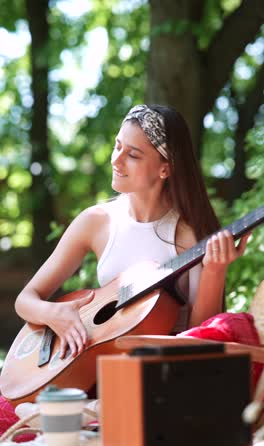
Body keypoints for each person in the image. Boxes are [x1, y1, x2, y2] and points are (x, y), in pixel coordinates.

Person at [14, 104, 249, 360]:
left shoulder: (188, 234)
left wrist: (215, 271)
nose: (116, 160)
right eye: (117, 146)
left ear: (165, 168)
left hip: (165, 374)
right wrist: (54, 314)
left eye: (133, 155)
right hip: (99, 362)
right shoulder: (95, 222)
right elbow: (25, 300)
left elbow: (201, 336)